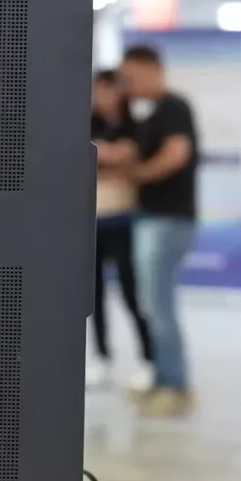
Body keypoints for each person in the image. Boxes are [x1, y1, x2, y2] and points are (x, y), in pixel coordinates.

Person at [115, 45, 201, 416]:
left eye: (132, 77)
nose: (128, 85)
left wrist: (140, 174)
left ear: (152, 69)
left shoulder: (173, 108)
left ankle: (174, 384)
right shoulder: (146, 114)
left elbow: (177, 154)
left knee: (160, 304)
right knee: (152, 303)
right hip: (150, 216)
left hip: (168, 218)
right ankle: (162, 376)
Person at [88, 69, 154, 391]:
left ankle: (148, 359)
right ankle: (101, 357)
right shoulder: (87, 126)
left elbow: (131, 164)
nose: (103, 96)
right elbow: (88, 161)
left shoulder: (135, 127)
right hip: (92, 222)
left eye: (109, 89)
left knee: (132, 293)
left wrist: (108, 158)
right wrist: (109, 158)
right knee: (94, 295)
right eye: (97, 89)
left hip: (124, 220)